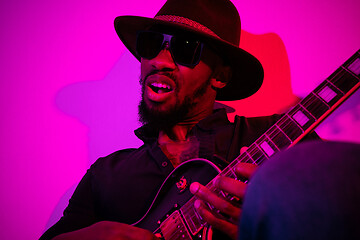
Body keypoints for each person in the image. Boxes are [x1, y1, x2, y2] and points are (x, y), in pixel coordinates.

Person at [39, 0, 320, 239]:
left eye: (185, 48)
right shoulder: (105, 174)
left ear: (220, 76)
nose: (160, 61)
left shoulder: (280, 140)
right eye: (151, 44)